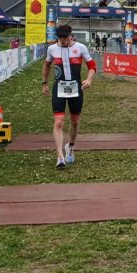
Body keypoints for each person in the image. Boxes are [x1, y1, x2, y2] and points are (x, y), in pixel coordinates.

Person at [42, 24, 97, 168]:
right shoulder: (52, 49)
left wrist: (89, 79)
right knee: (59, 122)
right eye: (60, 39)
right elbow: (47, 65)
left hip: (76, 88)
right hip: (59, 88)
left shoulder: (80, 48)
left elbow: (92, 66)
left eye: (66, 38)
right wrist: (44, 83)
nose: (63, 41)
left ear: (71, 36)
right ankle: (60, 157)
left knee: (75, 121)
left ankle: (70, 147)